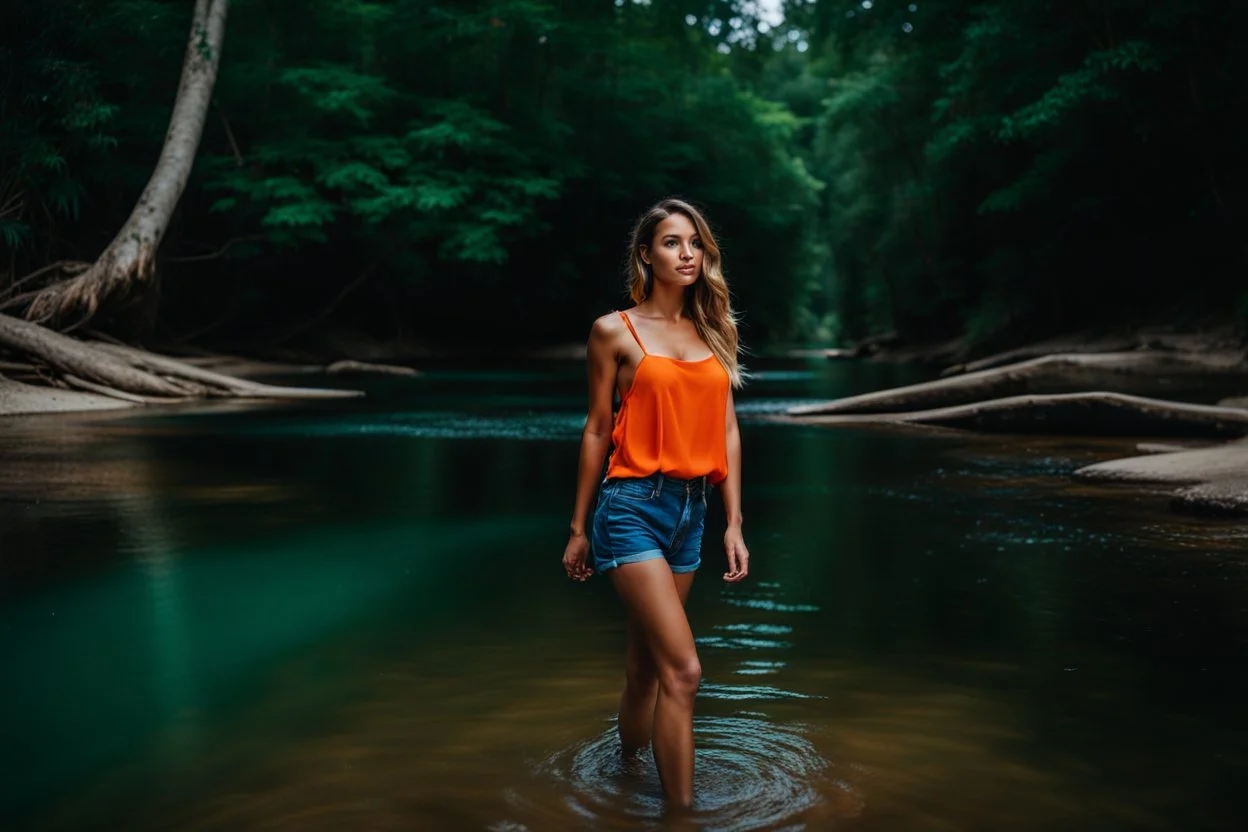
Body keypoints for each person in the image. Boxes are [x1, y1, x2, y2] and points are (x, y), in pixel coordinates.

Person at [561, 197, 750, 808]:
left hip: (692, 514)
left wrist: (734, 523)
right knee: (685, 672)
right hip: (631, 505)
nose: (687, 253)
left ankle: (624, 775)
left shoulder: (717, 329)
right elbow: (596, 429)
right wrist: (578, 527)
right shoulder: (615, 330)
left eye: (695, 243)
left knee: (647, 669)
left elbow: (727, 430)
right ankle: (681, 816)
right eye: (672, 242)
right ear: (646, 254)